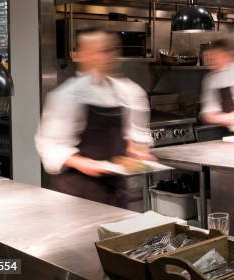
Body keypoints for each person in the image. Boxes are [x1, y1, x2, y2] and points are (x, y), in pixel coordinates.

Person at [35, 27, 154, 207]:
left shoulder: (129, 91)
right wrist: (82, 162)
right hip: (76, 192)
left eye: (109, 50)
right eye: (97, 51)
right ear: (79, 55)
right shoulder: (66, 95)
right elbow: (50, 145)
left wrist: (138, 151)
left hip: (116, 189)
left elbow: (137, 135)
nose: (105, 57)